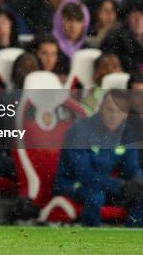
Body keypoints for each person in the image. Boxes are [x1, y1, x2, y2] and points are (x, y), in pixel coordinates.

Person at [54, 91, 143, 227]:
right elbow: (83, 173)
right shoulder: (80, 130)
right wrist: (120, 186)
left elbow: (132, 168)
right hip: (71, 182)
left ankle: (130, 241)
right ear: (101, 107)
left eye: (119, 112)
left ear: (125, 115)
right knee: (95, 196)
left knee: (139, 196)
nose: (113, 116)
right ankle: (89, 242)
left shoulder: (127, 133)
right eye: (109, 110)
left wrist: (137, 184)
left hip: (104, 185)